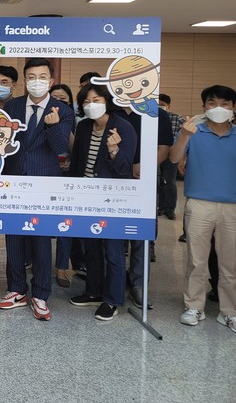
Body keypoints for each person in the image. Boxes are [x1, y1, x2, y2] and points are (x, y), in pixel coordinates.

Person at [0, 58, 73, 321]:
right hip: (14, 181)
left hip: (44, 183)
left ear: (51, 81)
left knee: (41, 240)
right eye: (31, 77)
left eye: (41, 77)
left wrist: (53, 126)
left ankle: (41, 294)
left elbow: (61, 148)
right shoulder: (13, 106)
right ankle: (16, 289)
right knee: (14, 238)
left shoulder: (62, 110)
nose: (36, 82)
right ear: (25, 81)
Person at [68, 84, 138, 321]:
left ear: (107, 100)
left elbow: (124, 168)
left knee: (113, 250)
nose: (91, 105)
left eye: (96, 100)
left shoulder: (123, 127)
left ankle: (112, 299)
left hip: (112, 198)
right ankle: (94, 292)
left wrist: (114, 150)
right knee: (91, 247)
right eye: (86, 101)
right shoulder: (84, 126)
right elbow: (77, 161)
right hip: (87, 195)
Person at [170, 85, 236, 332]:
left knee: (230, 264)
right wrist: (184, 136)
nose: (218, 108)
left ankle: (229, 311)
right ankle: (194, 306)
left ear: (233, 108)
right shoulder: (194, 132)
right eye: (212, 103)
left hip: (232, 206)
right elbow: (174, 159)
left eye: (224, 104)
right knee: (196, 260)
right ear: (204, 107)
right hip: (199, 204)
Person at [114, 97, 173, 307]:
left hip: (144, 181)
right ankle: (114, 281)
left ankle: (139, 284)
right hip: (113, 180)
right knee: (114, 234)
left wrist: (143, 167)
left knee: (141, 235)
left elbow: (164, 149)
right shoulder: (110, 111)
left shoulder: (156, 113)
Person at [49, 83, 84, 286]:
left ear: (70, 101)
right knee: (42, 222)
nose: (58, 102)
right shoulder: (41, 117)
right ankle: (39, 262)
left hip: (69, 177)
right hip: (46, 175)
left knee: (66, 225)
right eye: (54, 98)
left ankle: (61, 268)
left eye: (63, 99)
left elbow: (76, 148)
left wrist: (64, 124)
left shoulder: (77, 120)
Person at [157, 93, 184, 220]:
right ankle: (160, 207)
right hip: (157, 153)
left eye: (162, 105)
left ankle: (170, 209)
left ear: (168, 106)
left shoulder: (176, 118)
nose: (160, 107)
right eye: (157, 104)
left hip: (172, 154)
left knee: (169, 182)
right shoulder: (151, 116)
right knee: (158, 181)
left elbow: (187, 130)